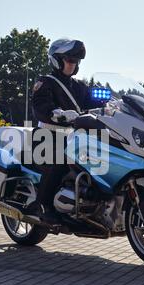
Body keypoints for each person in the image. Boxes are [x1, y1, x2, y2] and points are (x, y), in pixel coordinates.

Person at [31, 38, 105, 224]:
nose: (73, 65)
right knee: (58, 160)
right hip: (48, 136)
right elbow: (40, 105)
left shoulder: (79, 86)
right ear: (57, 59)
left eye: (76, 62)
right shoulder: (45, 82)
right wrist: (55, 113)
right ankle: (43, 206)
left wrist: (115, 105)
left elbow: (93, 102)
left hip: (73, 137)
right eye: (70, 60)